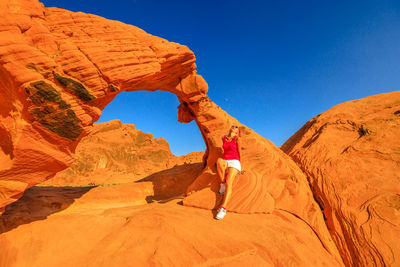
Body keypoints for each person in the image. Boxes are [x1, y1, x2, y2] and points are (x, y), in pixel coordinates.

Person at [215, 125, 244, 220]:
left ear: (237, 132)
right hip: (225, 161)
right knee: (219, 161)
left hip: (234, 162)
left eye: (236, 127)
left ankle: (223, 209)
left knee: (229, 182)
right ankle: (222, 183)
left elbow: (240, 152)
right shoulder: (224, 138)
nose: (234, 127)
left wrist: (242, 165)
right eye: (232, 126)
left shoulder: (237, 139)